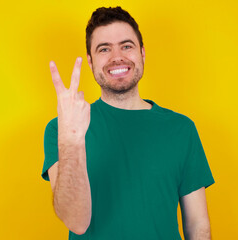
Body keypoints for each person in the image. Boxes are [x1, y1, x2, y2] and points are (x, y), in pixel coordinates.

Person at [42, 6, 215, 240]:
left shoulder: (181, 129)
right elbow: (76, 222)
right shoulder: (60, 129)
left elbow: (198, 225)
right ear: (91, 62)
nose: (117, 57)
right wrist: (72, 139)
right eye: (104, 49)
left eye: (126, 46)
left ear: (142, 53)